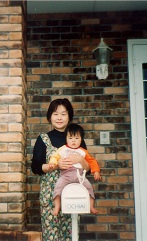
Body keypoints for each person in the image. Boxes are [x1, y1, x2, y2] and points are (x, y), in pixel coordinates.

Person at [31, 98, 89, 241]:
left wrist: (80, 160)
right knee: (51, 235)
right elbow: (35, 167)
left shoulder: (76, 138)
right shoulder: (43, 139)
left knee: (71, 233)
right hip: (49, 195)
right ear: (50, 116)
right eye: (55, 113)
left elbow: (88, 168)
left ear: (69, 116)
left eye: (63, 114)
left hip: (72, 192)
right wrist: (56, 166)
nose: (59, 118)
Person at [49, 123, 101, 216]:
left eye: (76, 138)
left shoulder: (83, 151)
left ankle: (91, 206)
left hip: (80, 176)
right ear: (66, 138)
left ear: (81, 139)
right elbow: (55, 156)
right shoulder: (63, 149)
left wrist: (96, 171)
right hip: (65, 175)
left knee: (89, 187)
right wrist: (52, 163)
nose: (73, 141)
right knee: (57, 188)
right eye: (70, 138)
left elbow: (92, 161)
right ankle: (57, 206)